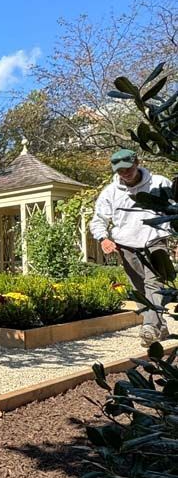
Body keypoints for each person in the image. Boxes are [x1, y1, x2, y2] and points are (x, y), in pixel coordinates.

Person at [90, 148, 173, 346]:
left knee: (154, 283)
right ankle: (159, 326)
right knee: (139, 287)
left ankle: (149, 327)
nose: (125, 173)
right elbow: (99, 220)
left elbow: (174, 207)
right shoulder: (110, 193)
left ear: (137, 163)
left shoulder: (159, 183)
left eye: (128, 168)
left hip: (155, 239)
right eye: (120, 171)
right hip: (127, 245)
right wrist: (103, 238)